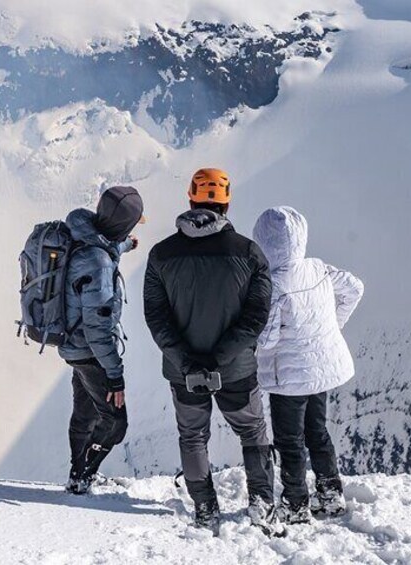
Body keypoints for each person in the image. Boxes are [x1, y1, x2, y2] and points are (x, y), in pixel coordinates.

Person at [143, 168, 281, 535]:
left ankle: (205, 508)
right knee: (252, 432)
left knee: (192, 436)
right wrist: (220, 359)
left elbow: (156, 318)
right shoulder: (249, 253)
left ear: (190, 200)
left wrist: (189, 362)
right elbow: (256, 318)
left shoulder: (161, 255)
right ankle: (262, 505)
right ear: (226, 203)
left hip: (182, 372)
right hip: (235, 370)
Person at [252, 206, 364, 524]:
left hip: (289, 378)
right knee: (317, 431)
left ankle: (295, 502)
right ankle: (330, 494)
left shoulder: (273, 285)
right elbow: (354, 288)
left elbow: (267, 340)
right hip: (322, 369)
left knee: (290, 440)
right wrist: (330, 328)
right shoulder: (317, 268)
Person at [59, 185, 144, 494]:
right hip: (91, 353)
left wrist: (123, 247)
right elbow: (98, 328)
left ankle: (77, 472)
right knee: (115, 423)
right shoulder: (99, 263)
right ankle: (84, 475)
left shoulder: (82, 236)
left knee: (84, 413)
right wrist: (115, 375)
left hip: (75, 347)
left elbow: (101, 249)